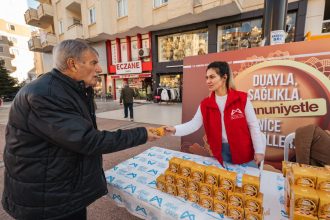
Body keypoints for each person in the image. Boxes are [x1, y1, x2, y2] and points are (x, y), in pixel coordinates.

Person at [1, 40, 160, 220]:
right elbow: (87, 140)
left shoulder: (66, 89)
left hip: (58, 189)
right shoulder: (47, 94)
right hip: (46, 200)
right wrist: (142, 133)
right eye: (93, 62)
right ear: (72, 64)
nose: (99, 69)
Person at [165, 61, 265, 168]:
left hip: (244, 150)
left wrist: (259, 151)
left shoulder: (242, 99)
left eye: (212, 77)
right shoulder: (205, 104)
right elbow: (194, 124)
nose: (208, 81)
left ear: (224, 77)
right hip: (221, 152)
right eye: (206, 78)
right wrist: (175, 129)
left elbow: (253, 125)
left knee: (247, 182)